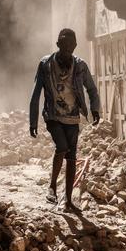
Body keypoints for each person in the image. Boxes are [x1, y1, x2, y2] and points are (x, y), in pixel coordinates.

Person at [29, 28, 100, 213]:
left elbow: (92, 89)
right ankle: (52, 186)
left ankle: (68, 201)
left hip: (73, 116)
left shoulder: (80, 66)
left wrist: (94, 109)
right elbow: (36, 94)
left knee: (72, 157)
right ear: (58, 44)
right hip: (52, 114)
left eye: (71, 45)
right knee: (62, 146)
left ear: (75, 46)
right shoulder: (45, 64)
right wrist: (33, 121)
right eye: (64, 44)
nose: (67, 48)